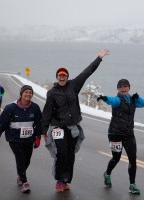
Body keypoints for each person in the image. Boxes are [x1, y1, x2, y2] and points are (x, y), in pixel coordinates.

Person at [41, 49, 109, 192]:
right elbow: (47, 112)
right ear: (57, 77)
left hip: (73, 127)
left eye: (64, 75)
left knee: (71, 154)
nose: (62, 77)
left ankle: (66, 180)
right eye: (60, 76)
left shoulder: (73, 85)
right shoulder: (52, 93)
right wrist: (43, 131)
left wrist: (99, 58)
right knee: (62, 153)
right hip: (58, 127)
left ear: (67, 77)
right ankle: (59, 179)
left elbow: (87, 72)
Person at [97, 79, 144, 195]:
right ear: (118, 89)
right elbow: (111, 100)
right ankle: (107, 174)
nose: (123, 88)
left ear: (129, 88)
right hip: (115, 134)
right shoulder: (117, 100)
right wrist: (105, 98)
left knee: (133, 159)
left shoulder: (133, 100)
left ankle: (132, 185)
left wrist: (137, 97)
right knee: (116, 158)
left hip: (129, 134)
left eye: (125, 86)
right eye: (120, 86)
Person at [0, 85, 42, 193]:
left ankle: (20, 175)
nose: (28, 94)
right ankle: (25, 182)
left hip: (29, 139)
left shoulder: (35, 108)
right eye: (26, 92)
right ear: (21, 94)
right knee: (20, 159)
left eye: (30, 92)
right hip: (14, 138)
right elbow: (1, 122)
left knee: (26, 160)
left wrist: (38, 137)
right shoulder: (10, 108)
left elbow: (38, 123)